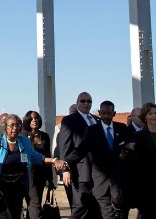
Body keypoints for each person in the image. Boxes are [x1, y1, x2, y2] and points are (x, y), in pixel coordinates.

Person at [0, 113, 65, 216]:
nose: (15, 128)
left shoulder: (24, 141)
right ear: (5, 127)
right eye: (12, 125)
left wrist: (53, 160)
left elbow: (35, 156)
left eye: (18, 125)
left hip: (17, 186)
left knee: (16, 214)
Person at [63, 100, 129, 219]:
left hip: (119, 182)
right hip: (101, 182)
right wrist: (66, 161)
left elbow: (130, 147)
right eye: (103, 113)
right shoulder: (92, 131)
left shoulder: (122, 128)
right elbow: (81, 150)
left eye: (109, 113)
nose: (106, 116)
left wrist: (126, 152)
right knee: (107, 214)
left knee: (120, 213)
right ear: (99, 113)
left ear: (114, 113)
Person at [57, 91, 98, 219]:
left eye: (89, 101)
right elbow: (64, 147)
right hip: (80, 172)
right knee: (80, 207)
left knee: (95, 209)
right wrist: (65, 170)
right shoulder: (70, 120)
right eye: (83, 101)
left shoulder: (97, 120)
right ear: (77, 103)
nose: (86, 103)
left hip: (98, 173)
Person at [23, 110, 53, 219]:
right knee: (35, 204)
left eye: (36, 118)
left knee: (35, 204)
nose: (34, 120)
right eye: (31, 119)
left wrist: (50, 179)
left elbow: (48, 155)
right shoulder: (23, 136)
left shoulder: (44, 136)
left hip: (41, 175)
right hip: (27, 175)